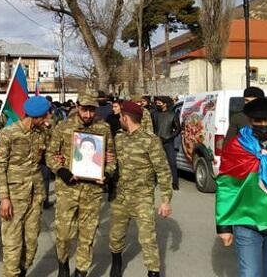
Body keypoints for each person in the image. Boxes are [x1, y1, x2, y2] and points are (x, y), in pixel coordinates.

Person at [216, 98, 267, 277]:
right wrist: (223, 225)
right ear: (250, 120)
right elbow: (226, 186)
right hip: (247, 219)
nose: (263, 125)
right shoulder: (236, 146)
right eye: (258, 121)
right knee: (250, 273)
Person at [46, 90, 114, 277]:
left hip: (92, 191)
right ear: (77, 107)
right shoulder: (63, 127)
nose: (88, 115)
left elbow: (111, 159)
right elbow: (50, 155)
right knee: (63, 233)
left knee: (88, 234)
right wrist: (61, 170)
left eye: (92, 110)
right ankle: (63, 264)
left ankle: (82, 270)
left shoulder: (104, 129)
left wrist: (107, 174)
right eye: (84, 110)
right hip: (68, 189)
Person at [108, 101, 173, 277]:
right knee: (116, 235)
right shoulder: (119, 137)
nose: (118, 119)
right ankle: (116, 262)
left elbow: (163, 170)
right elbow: (112, 163)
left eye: (120, 116)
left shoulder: (150, 140)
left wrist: (165, 200)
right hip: (119, 196)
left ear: (125, 117)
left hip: (142, 197)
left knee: (147, 238)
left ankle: (153, 272)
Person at [0, 96, 50, 277]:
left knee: (31, 242)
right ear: (37, 116)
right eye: (45, 115)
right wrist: (4, 198)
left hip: (35, 194)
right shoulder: (8, 133)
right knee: (12, 243)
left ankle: (23, 271)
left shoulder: (41, 133)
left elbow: (47, 156)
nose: (48, 117)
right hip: (14, 196)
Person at [152, 96, 181, 190]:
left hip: (168, 142)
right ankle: (154, 181)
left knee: (172, 162)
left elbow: (178, 129)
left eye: (159, 103)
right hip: (157, 141)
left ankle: (175, 182)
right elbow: (152, 128)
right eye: (157, 103)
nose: (157, 104)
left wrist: (169, 137)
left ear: (165, 104)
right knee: (155, 162)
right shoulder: (154, 114)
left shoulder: (172, 114)